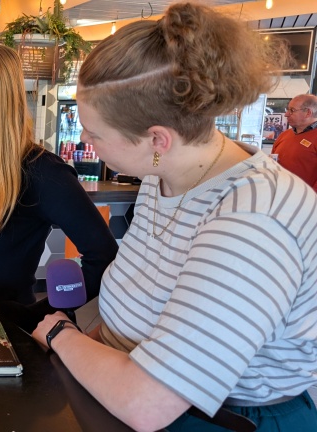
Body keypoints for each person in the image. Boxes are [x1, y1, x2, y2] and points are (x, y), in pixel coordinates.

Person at [32, 3, 317, 431]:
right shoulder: (163, 176)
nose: (86, 138)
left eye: (96, 133)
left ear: (158, 139)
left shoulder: (254, 219)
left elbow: (148, 402)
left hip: (227, 418)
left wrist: (60, 336)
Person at [0, 42, 118, 326]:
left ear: (5, 110)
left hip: (4, 336)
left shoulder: (43, 172)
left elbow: (104, 256)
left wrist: (38, 316)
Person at [272, 94, 317, 192]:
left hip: (305, 198)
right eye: (287, 109)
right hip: (279, 193)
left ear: (308, 113)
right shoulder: (284, 135)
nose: (286, 114)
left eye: (292, 110)